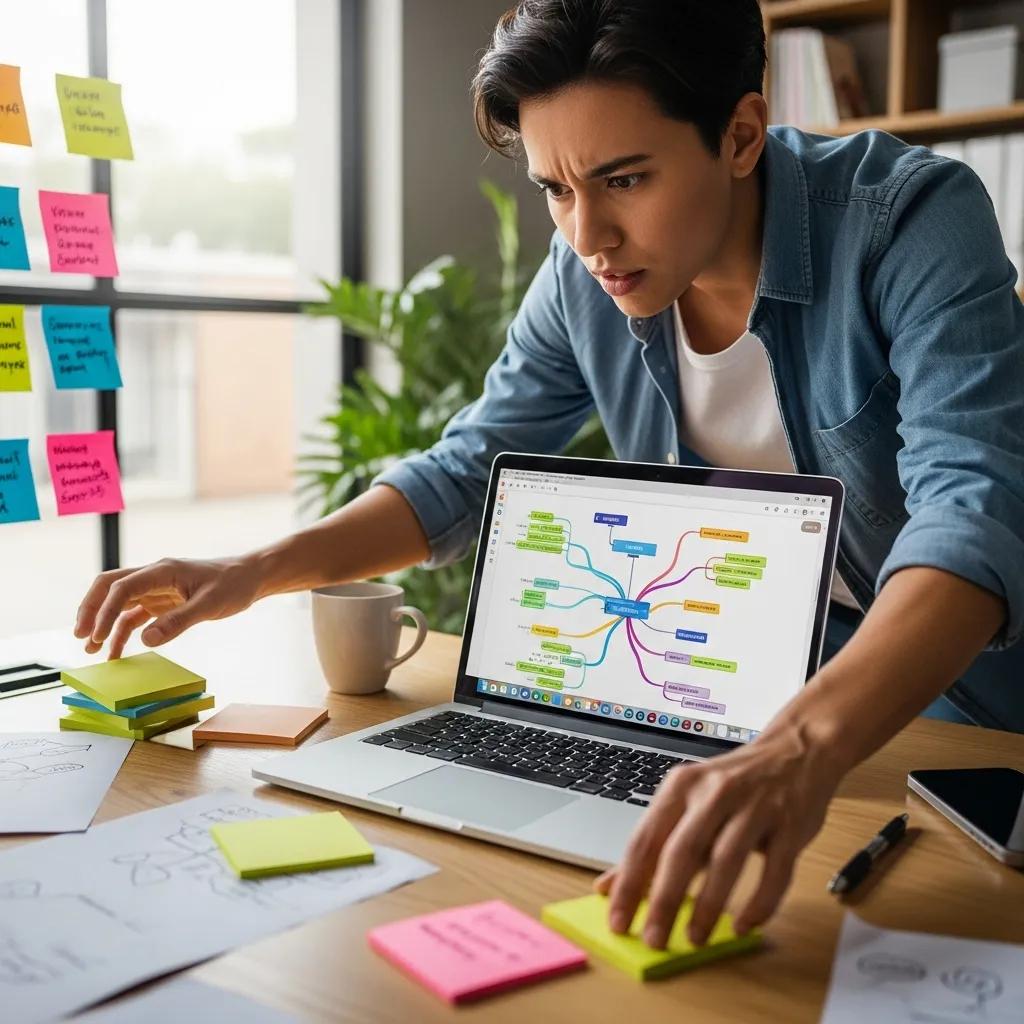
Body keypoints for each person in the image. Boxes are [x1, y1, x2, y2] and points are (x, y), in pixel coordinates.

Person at [74, 0, 1024, 952]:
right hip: (742, 709)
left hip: (969, 715)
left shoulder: (906, 219)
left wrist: (799, 748)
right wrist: (253, 569)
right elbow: (464, 468)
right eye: (556, 190)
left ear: (739, 135)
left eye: (624, 179)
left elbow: (973, 509)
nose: (587, 235)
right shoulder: (586, 281)